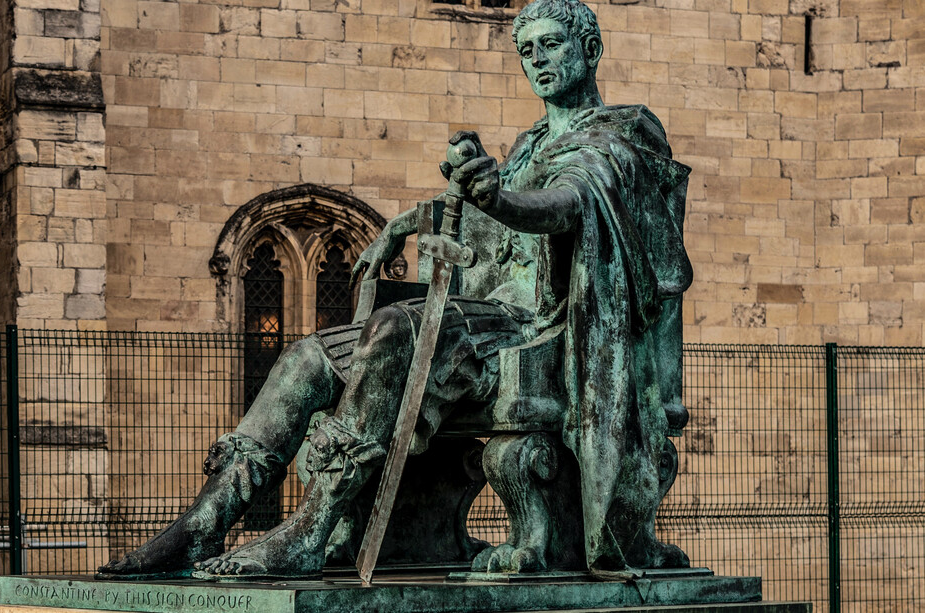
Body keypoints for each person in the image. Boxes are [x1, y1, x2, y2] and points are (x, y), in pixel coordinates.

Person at [98, 0, 691, 580]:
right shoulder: (531, 144)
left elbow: (569, 204)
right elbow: (473, 215)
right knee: (306, 357)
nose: (537, 60)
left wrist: (498, 197)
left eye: (552, 45)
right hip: (485, 319)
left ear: (590, 49)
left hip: (539, 327)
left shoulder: (619, 137)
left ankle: (312, 527)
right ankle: (201, 524)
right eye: (526, 50)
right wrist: (401, 227)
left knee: (393, 327)